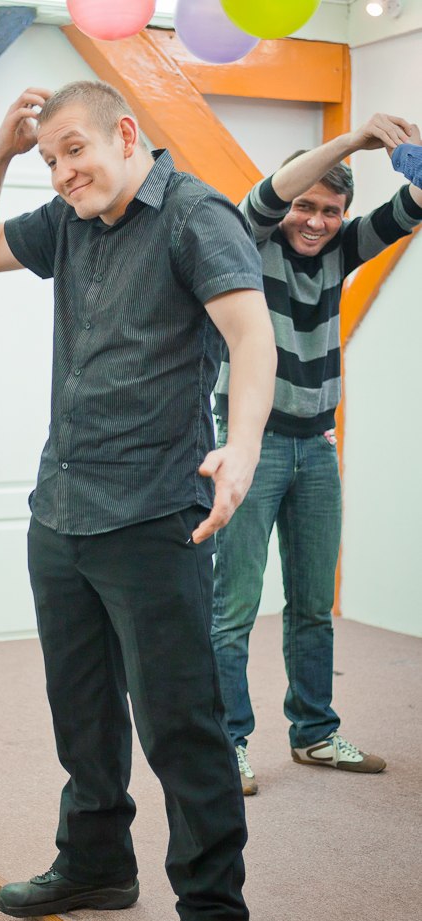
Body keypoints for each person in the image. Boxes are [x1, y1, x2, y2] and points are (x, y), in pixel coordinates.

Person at [0, 80, 276, 921]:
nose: (62, 172)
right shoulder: (68, 220)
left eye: (73, 151)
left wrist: (243, 446)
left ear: (126, 133)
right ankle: (95, 862)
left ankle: (215, 915)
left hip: (153, 515)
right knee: (81, 711)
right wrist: (1, 153)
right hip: (61, 509)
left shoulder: (195, 216)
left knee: (180, 724)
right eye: (49, 159)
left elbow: (251, 338)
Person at [211, 114, 422, 796]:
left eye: (331, 211)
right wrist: (355, 139)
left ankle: (314, 734)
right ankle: (225, 746)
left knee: (311, 606)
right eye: (306, 206)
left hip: (316, 443)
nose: (315, 221)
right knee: (234, 606)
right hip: (250, 443)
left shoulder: (340, 248)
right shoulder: (250, 242)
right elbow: (263, 199)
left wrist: (411, 156)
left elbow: (410, 208)